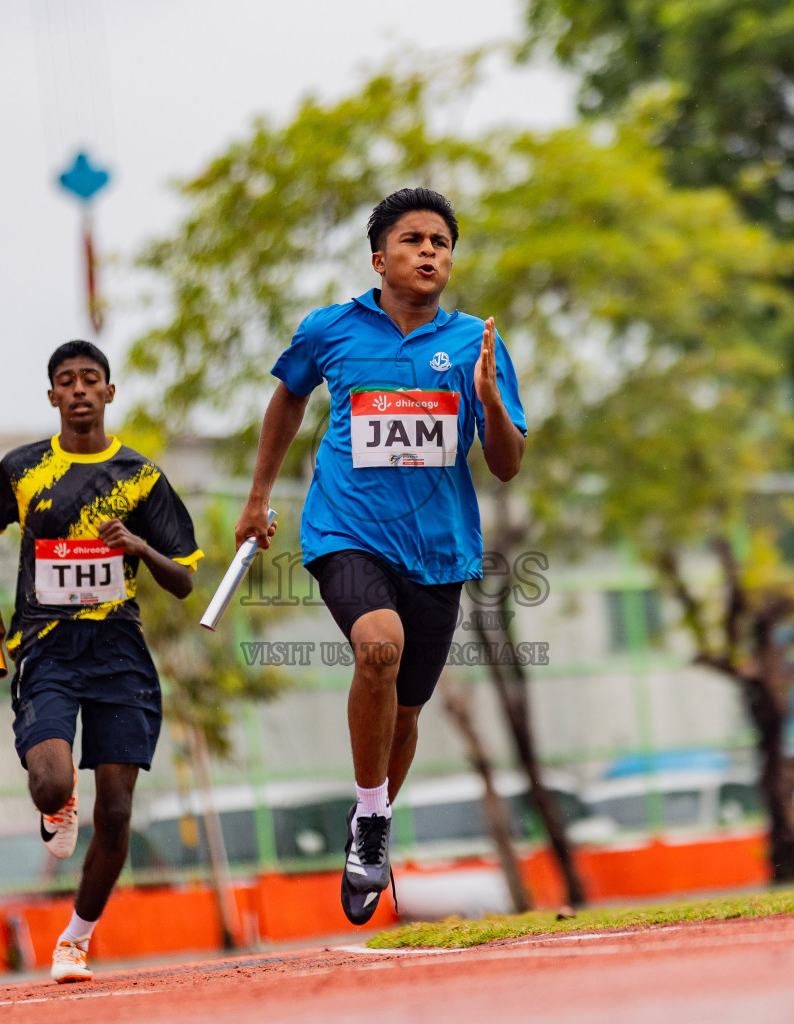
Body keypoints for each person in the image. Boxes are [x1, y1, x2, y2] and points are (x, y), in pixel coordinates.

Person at [235, 188, 527, 924]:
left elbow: (507, 464)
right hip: (346, 530)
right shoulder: (330, 330)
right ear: (379, 258)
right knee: (377, 650)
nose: (431, 251)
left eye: (442, 242)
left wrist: (488, 400)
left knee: (406, 712)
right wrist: (259, 494)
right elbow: (287, 400)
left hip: (438, 551)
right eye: (414, 240)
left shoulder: (475, 345)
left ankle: (372, 815)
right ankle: (371, 818)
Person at [0, 340, 203, 982]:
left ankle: (75, 939)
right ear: (52, 396)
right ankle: (56, 805)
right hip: (48, 649)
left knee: (120, 811)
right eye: (65, 381)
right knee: (51, 779)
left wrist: (138, 546)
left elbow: (183, 579)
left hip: (119, 654)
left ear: (108, 392)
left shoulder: (141, 477)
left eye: (89, 380)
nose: (78, 390)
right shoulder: (21, 469)